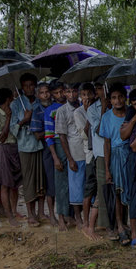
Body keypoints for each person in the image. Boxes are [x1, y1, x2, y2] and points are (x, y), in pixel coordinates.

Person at [101, 84, 136, 244]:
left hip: (130, 154)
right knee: (117, 191)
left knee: (131, 190)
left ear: (125, 97)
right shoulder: (107, 117)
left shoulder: (132, 113)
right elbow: (106, 144)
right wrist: (107, 168)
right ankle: (120, 226)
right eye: (114, 98)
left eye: (120, 97)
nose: (118, 100)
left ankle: (131, 225)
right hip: (115, 156)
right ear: (110, 100)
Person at [11, 73, 45, 227]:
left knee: (41, 179)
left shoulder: (40, 101)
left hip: (40, 144)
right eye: (26, 86)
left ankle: (41, 212)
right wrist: (24, 120)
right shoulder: (16, 104)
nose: (29, 88)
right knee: (29, 180)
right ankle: (30, 214)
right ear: (22, 88)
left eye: (32, 85)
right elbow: (12, 130)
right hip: (25, 146)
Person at [56, 82, 87, 229]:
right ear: (64, 93)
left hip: (87, 150)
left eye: (74, 91)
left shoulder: (85, 106)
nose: (72, 94)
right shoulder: (62, 111)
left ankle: (86, 217)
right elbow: (62, 136)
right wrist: (69, 159)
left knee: (88, 185)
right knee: (76, 187)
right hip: (74, 152)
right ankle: (78, 218)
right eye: (68, 92)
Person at [0, 88, 21, 227]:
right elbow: (1, 138)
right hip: (4, 148)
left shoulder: (15, 111)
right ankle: (9, 216)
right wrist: (8, 118)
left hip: (16, 148)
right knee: (5, 185)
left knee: (15, 184)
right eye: (11, 98)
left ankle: (14, 211)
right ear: (8, 99)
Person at [118, 88, 136, 247]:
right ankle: (134, 232)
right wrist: (135, 119)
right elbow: (124, 136)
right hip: (134, 159)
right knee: (135, 196)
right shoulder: (131, 115)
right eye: (135, 104)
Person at [30, 82, 58, 226]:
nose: (45, 95)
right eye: (42, 93)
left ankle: (65, 214)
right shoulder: (37, 110)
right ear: (37, 95)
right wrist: (51, 131)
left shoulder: (57, 106)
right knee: (50, 183)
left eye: (47, 92)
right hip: (46, 149)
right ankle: (52, 215)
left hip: (61, 146)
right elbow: (36, 134)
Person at [45, 83, 70, 230]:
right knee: (60, 184)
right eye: (56, 93)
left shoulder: (74, 106)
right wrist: (55, 157)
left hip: (72, 145)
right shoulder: (50, 110)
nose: (60, 95)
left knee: (72, 183)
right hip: (58, 146)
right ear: (52, 95)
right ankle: (61, 217)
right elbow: (48, 136)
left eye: (62, 91)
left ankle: (71, 215)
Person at [86, 82, 111, 232]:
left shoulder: (116, 104)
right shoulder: (91, 109)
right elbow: (100, 130)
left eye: (104, 87)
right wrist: (103, 108)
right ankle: (94, 225)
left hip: (115, 151)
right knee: (102, 190)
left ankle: (113, 222)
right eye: (99, 88)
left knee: (115, 188)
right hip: (101, 153)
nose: (102, 90)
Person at [75, 83, 98, 239]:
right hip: (89, 153)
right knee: (89, 188)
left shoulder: (98, 107)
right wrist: (89, 116)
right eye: (83, 94)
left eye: (89, 94)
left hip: (99, 151)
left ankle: (96, 222)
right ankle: (85, 223)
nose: (87, 97)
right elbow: (83, 134)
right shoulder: (78, 113)